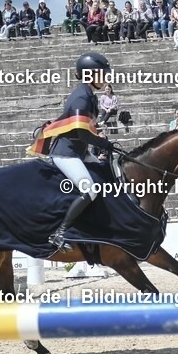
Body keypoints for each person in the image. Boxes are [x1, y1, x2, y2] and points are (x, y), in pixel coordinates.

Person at [38, 53, 116, 250]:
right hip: (66, 153)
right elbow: (82, 133)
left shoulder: (88, 94)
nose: (106, 77)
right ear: (90, 75)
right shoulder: (82, 96)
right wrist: (102, 143)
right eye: (102, 74)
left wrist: (100, 137)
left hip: (79, 152)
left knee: (106, 176)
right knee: (89, 190)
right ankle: (60, 233)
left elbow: (84, 128)